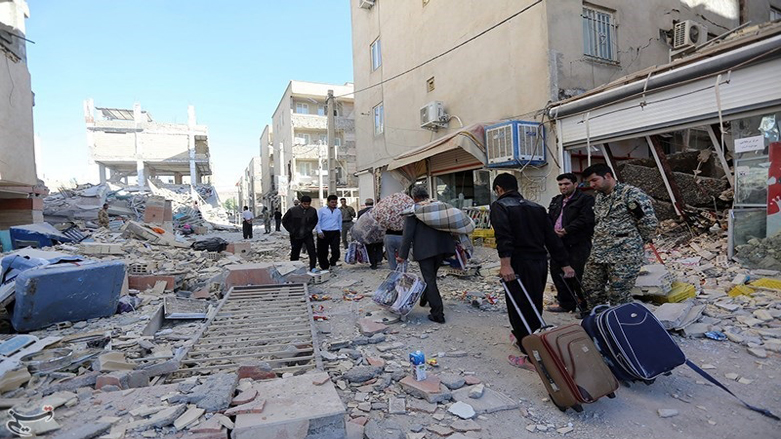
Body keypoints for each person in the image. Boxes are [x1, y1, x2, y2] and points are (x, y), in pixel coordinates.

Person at [490, 173, 575, 371]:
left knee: (519, 305)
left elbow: (503, 236)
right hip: (539, 263)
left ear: (499, 189)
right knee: (533, 303)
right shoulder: (536, 207)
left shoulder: (500, 206)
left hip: (518, 263)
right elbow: (551, 238)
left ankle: (531, 355)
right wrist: (565, 264)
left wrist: (505, 265)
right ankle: (524, 339)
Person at [581, 163, 658, 311]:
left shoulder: (631, 194)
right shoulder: (600, 197)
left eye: (594, 180)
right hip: (599, 252)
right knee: (591, 287)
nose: (591, 185)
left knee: (619, 294)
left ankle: (622, 323)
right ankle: (600, 319)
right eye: (589, 182)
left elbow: (648, 223)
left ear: (607, 176)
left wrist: (633, 243)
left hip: (624, 254)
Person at [396, 186, 455, 324]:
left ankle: (437, 313)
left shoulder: (413, 211)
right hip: (442, 248)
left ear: (414, 198)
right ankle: (424, 298)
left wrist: (402, 255)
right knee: (431, 276)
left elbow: (407, 236)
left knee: (429, 279)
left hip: (425, 250)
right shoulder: (439, 207)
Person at [547, 173, 595, 313]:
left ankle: (585, 306)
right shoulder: (556, 200)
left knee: (578, 275)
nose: (563, 187)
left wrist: (566, 230)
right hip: (558, 244)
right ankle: (566, 304)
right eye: (560, 184)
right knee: (557, 273)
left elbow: (585, 219)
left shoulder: (585, 199)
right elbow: (550, 218)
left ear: (575, 184)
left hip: (577, 243)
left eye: (566, 184)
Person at [282, 196, 319, 272]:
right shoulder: (293, 210)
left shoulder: (312, 211)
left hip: (307, 235)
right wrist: (291, 230)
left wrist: (309, 229)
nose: (306, 205)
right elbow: (284, 220)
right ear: (301, 203)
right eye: (305, 204)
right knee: (295, 252)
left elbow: (314, 221)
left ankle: (312, 267)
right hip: (295, 235)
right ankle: (294, 268)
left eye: (308, 204)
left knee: (312, 252)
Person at [316, 195, 342, 270]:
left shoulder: (338, 211)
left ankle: (333, 262)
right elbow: (317, 221)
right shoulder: (322, 210)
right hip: (324, 232)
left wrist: (340, 230)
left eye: (335, 202)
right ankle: (324, 266)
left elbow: (339, 221)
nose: (334, 204)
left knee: (336, 250)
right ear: (328, 202)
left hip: (335, 232)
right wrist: (319, 231)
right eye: (332, 202)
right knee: (323, 250)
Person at [357, 198, 384, 269]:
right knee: (378, 246)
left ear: (365, 204)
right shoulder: (378, 211)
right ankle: (379, 260)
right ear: (373, 203)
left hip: (367, 233)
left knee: (370, 248)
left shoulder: (361, 212)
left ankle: (373, 263)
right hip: (378, 232)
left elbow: (359, 224)